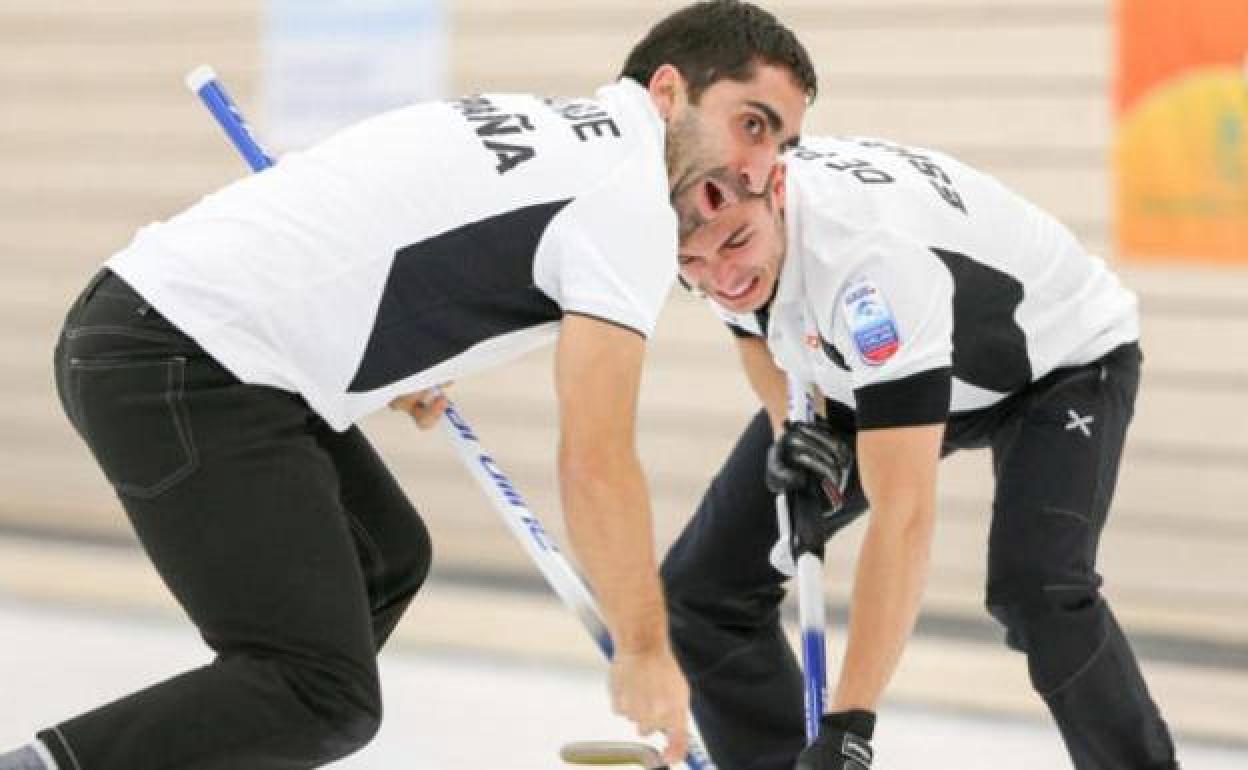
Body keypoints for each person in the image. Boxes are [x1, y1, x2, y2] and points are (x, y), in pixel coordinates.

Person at [0, 4, 817, 770]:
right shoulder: (629, 200)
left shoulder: (544, 122)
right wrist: (643, 650)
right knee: (320, 690)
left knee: (382, 559)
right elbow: (597, 461)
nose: (760, 166)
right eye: (751, 123)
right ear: (669, 91)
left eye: (780, 143)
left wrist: (401, 352)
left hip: (177, 334)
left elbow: (382, 219)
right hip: (183, 359)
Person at [665, 135, 1180, 770]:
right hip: (879, 362)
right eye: (692, 262)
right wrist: (793, 427)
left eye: (736, 244)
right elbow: (750, 327)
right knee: (702, 589)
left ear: (777, 190)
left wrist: (848, 728)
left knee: (1038, 588)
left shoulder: (869, 263)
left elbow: (903, 516)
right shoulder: (716, 224)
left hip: (1054, 363)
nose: (721, 278)